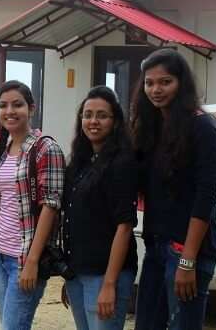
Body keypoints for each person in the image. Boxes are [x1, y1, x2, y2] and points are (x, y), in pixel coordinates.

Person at [131, 49, 216, 330]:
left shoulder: (202, 129)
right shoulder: (151, 128)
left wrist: (187, 260)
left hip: (187, 251)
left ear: (182, 83)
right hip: (156, 247)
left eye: (165, 82)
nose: (156, 89)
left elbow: (205, 197)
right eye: (150, 83)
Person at [0, 80, 66, 330]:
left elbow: (51, 206)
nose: (9, 111)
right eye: (3, 106)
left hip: (23, 258)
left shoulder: (46, 148)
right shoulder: (5, 146)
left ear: (31, 108)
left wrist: (32, 261)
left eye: (17, 104)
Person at [61, 86, 138, 330]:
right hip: (78, 274)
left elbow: (124, 227)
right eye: (88, 114)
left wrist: (109, 284)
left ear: (115, 122)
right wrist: (69, 275)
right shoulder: (79, 163)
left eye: (102, 115)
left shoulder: (122, 163)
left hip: (105, 276)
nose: (93, 121)